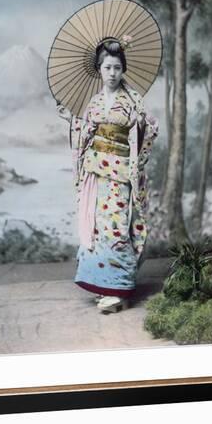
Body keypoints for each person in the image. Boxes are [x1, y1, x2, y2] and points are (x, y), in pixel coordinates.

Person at [57, 37, 159, 313]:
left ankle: (119, 287)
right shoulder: (95, 101)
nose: (112, 73)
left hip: (121, 172)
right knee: (98, 226)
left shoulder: (133, 100)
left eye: (117, 67)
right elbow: (87, 131)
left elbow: (150, 131)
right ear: (99, 70)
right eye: (107, 68)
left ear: (123, 69)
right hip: (97, 171)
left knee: (116, 226)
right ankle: (103, 285)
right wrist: (71, 119)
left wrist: (140, 126)